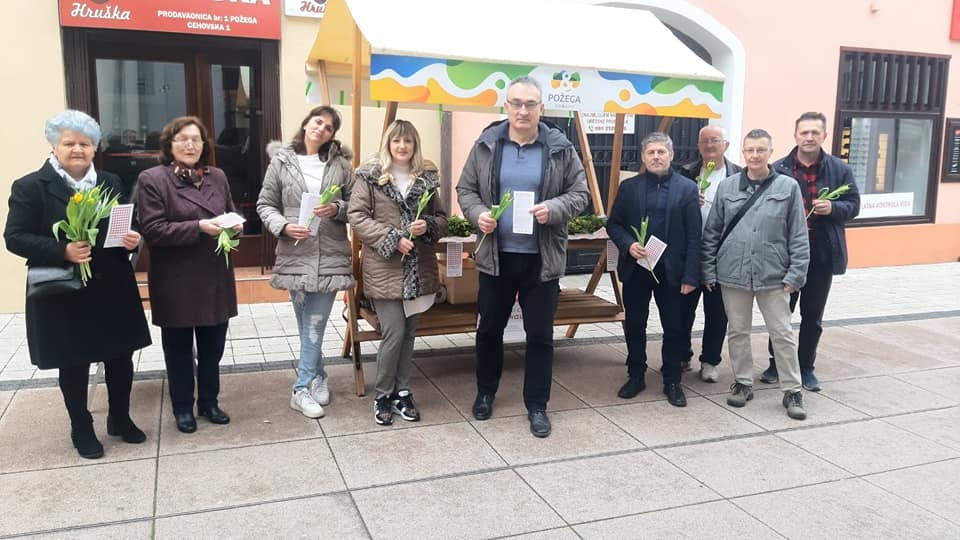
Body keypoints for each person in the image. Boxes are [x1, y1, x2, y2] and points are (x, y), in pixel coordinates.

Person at [4, 109, 151, 459]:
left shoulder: (110, 181)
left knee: (120, 356)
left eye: (85, 144)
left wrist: (131, 239)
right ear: (54, 146)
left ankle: (120, 417)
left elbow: (122, 226)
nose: (77, 150)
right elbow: (14, 237)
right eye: (69, 143)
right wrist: (62, 250)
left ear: (94, 148)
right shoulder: (30, 187)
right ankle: (81, 426)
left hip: (111, 285)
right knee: (73, 362)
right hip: (63, 290)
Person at [456, 76, 589, 437]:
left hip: (541, 260)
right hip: (496, 257)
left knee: (540, 335)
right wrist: (478, 214)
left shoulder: (560, 148)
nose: (523, 110)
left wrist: (554, 208)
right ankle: (486, 392)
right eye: (516, 103)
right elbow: (465, 189)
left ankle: (537, 405)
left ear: (541, 108)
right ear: (507, 106)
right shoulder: (486, 144)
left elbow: (580, 194)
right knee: (489, 330)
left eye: (530, 104)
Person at [137, 116, 241, 434]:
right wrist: (198, 227)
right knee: (179, 350)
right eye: (182, 139)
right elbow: (153, 230)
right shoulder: (153, 179)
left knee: (213, 348)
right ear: (169, 145)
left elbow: (229, 210)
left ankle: (209, 401)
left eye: (196, 139)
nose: (190, 145)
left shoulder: (217, 176)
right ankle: (182, 407)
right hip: (176, 280)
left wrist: (234, 226)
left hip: (215, 275)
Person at [702, 129, 810, 420]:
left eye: (761, 150)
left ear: (770, 152)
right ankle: (743, 382)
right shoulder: (727, 187)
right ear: (743, 152)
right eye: (750, 150)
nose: (755, 155)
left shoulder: (788, 187)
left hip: (774, 274)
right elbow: (712, 233)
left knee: (782, 333)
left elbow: (799, 235)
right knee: (738, 331)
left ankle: (792, 390)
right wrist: (708, 270)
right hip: (733, 273)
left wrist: (796, 274)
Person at [257, 106, 354, 419]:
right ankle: (319, 375)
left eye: (329, 127)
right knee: (306, 326)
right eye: (318, 122)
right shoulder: (282, 162)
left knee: (316, 323)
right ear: (306, 123)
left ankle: (299, 390)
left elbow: (357, 205)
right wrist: (284, 226)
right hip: (295, 254)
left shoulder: (341, 165)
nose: (321, 129)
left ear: (332, 135)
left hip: (331, 256)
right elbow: (265, 204)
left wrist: (337, 209)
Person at [348, 119, 447, 426]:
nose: (402, 146)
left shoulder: (426, 179)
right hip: (385, 269)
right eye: (396, 141)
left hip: (420, 269)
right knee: (394, 332)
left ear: (415, 145)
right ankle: (382, 395)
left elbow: (441, 218)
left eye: (408, 141)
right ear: (388, 144)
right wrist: (392, 238)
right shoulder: (370, 177)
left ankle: (402, 392)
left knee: (409, 333)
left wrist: (427, 226)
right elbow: (356, 216)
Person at [764, 112, 861, 391]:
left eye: (814, 133)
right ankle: (777, 363)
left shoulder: (839, 169)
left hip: (821, 255)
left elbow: (854, 205)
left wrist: (834, 208)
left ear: (824, 136)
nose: (809, 137)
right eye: (804, 132)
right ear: (795, 135)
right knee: (780, 315)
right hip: (785, 257)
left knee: (812, 316)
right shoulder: (779, 168)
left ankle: (806, 367)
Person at [607, 132, 701, 407]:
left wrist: (691, 275)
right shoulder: (629, 188)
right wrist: (628, 244)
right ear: (643, 157)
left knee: (673, 326)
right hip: (637, 268)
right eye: (651, 152)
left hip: (672, 271)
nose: (656, 157)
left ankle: (672, 380)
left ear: (671, 155)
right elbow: (614, 224)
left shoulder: (687, 188)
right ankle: (636, 374)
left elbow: (695, 235)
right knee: (635, 324)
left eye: (661, 152)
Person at [678, 125, 742, 383]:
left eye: (715, 140)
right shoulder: (686, 173)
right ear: (698, 147)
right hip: (691, 251)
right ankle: (682, 354)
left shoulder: (738, 175)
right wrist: (687, 203)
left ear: (726, 145)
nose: (710, 145)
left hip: (722, 253)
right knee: (683, 309)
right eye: (705, 141)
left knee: (717, 313)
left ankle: (710, 361)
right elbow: (674, 207)